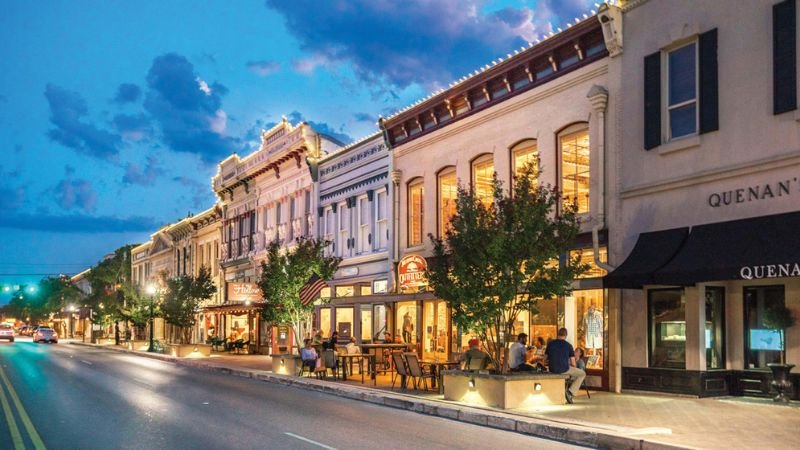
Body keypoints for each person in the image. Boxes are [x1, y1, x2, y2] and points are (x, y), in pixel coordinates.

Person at [545, 328, 586, 404]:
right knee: (582, 374)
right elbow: (573, 363)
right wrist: (573, 368)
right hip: (564, 369)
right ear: (566, 335)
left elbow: (545, 359)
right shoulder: (568, 346)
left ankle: (568, 389)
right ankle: (570, 392)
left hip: (552, 369)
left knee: (572, 375)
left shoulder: (550, 344)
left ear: (558, 334)